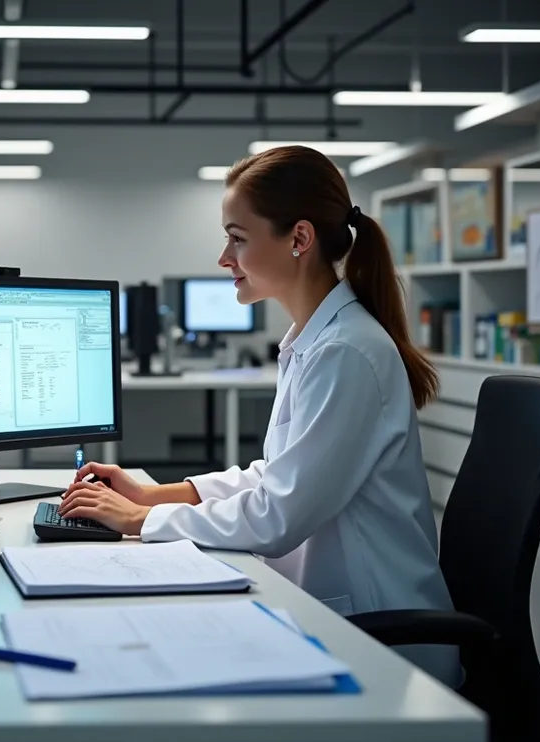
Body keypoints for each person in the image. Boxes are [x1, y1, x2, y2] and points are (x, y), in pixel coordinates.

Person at [62, 145, 459, 686]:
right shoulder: (315, 340)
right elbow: (276, 477)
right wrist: (152, 495)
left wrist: (139, 522)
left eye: (238, 238)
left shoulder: (344, 351)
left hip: (381, 643)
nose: (225, 257)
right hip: (338, 615)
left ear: (299, 239)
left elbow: (280, 516)